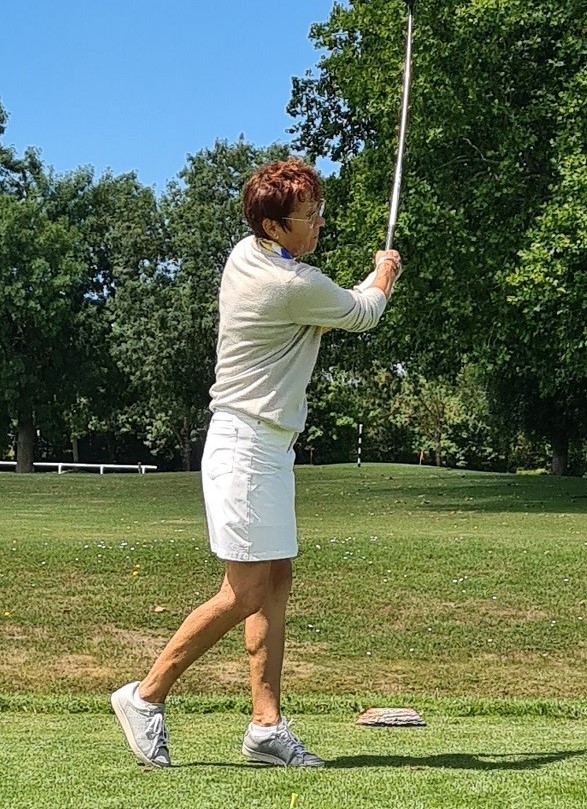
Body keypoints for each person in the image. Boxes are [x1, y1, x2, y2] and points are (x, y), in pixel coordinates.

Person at [111, 157, 402, 769]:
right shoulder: (288, 284)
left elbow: (327, 303)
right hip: (244, 446)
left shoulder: (248, 254)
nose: (319, 223)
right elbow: (362, 312)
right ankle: (145, 696)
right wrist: (385, 271)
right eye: (308, 215)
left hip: (269, 448)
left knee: (275, 581)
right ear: (273, 226)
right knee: (244, 592)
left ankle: (266, 727)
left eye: (319, 210)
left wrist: (359, 284)